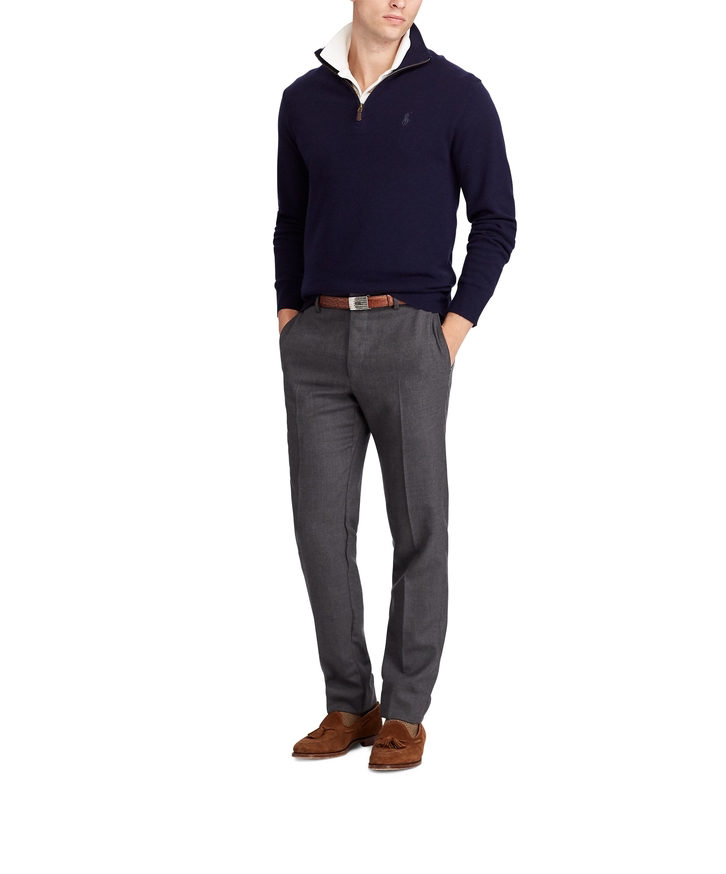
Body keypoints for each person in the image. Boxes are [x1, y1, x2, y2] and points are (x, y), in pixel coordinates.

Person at [274, 0, 516, 770]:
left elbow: (497, 221)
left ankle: (405, 712)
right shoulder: (302, 100)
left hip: (411, 336)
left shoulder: (457, 94)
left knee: (419, 526)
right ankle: (350, 702)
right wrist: (287, 316)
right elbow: (290, 218)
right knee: (319, 528)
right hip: (316, 340)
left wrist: (451, 332)